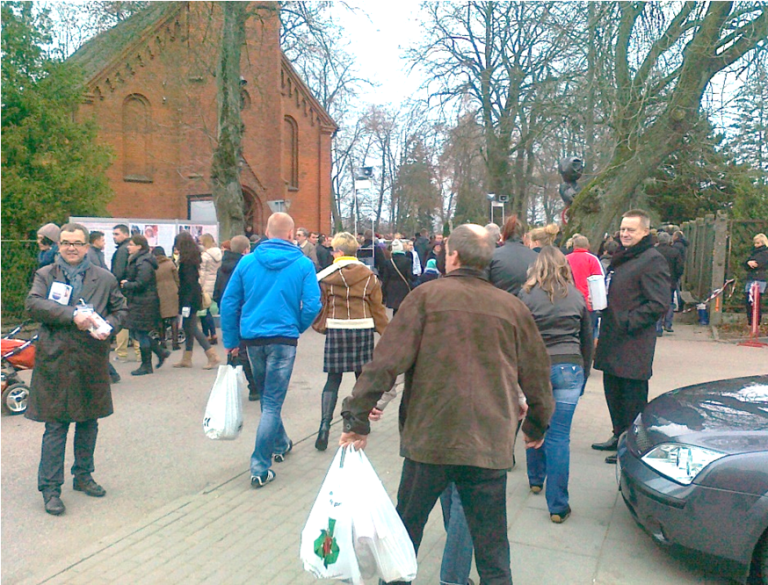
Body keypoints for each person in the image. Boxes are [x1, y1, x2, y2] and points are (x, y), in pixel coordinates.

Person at [339, 224, 554, 585]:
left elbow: (386, 362)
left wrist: (357, 418)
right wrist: (536, 425)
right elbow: (537, 373)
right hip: (487, 441)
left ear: (452, 255)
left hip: (430, 437)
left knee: (404, 536)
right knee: (492, 546)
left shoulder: (425, 298)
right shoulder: (512, 307)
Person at [25, 223, 128, 516]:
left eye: (77, 243)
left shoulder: (105, 278)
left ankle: (83, 475)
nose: (71, 248)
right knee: (56, 425)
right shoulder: (46, 275)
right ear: (59, 245)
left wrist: (108, 326)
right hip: (55, 358)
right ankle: (50, 489)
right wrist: (72, 315)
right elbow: (33, 304)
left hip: (90, 357)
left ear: (86, 247)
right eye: (66, 242)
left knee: (88, 421)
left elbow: (121, 310)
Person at [220, 212, 321, 488]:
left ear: (267, 232)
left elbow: (229, 302)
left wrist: (231, 340)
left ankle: (280, 443)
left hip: (253, 337)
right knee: (272, 401)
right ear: (291, 235)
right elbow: (313, 304)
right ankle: (260, 465)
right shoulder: (303, 264)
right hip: (283, 338)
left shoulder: (247, 262)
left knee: (268, 397)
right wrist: (297, 326)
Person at [518, 246, 593, 523]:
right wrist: (584, 375)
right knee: (559, 436)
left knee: (536, 420)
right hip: (570, 367)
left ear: (536, 267)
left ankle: (536, 479)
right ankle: (558, 506)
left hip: (536, 369)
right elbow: (587, 339)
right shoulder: (576, 296)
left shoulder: (525, 296)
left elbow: (518, 337)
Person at [592, 210, 670, 464]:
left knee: (632, 397)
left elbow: (659, 303)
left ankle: (632, 447)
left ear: (645, 232)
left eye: (631, 230)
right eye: (623, 229)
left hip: (633, 342)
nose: (625, 234)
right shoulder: (623, 257)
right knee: (613, 391)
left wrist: (628, 321)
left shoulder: (652, 260)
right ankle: (619, 435)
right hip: (612, 338)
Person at [311, 232, 388, 451]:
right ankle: (358, 422)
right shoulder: (369, 277)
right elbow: (378, 310)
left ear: (339, 252)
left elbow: (321, 304)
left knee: (332, 379)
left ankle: (324, 426)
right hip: (362, 329)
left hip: (336, 329)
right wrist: (388, 335)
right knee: (362, 380)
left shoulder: (325, 277)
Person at [213, 235, 260, 400]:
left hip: (229, 313)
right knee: (249, 351)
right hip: (246, 313)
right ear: (246, 250)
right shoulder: (247, 267)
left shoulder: (222, 268)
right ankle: (254, 386)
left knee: (234, 349)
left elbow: (217, 294)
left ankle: (231, 386)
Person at [120, 235, 169, 376]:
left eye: (131, 244)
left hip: (144, 302)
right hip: (139, 301)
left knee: (140, 333)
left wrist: (127, 284)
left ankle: (147, 365)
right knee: (136, 332)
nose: (128, 247)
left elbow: (142, 283)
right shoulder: (139, 259)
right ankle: (160, 352)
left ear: (139, 246)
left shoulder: (144, 262)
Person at [172, 231, 220, 370]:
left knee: (191, 327)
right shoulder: (193, 258)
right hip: (193, 297)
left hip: (189, 298)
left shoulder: (186, 262)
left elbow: (188, 283)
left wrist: (186, 303)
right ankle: (186, 358)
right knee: (188, 326)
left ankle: (211, 355)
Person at [489, 215, 539, 296]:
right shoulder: (537, 258)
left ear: (503, 236)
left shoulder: (492, 256)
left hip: (500, 301)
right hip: (527, 302)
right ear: (524, 236)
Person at [565, 234, 604, 337]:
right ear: (588, 246)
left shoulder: (565, 259)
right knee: (590, 332)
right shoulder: (592, 259)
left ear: (574, 246)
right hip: (588, 303)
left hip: (569, 301)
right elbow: (598, 281)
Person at [654, 231, 684, 335]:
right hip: (670, 281)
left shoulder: (654, 251)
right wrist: (676, 277)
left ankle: (657, 326)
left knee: (656, 302)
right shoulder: (675, 252)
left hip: (656, 281)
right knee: (669, 302)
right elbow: (680, 268)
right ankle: (668, 323)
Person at [152, 246, 181, 351]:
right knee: (174, 317)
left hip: (159, 292)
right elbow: (177, 278)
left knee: (161, 318)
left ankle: (163, 342)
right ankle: (175, 342)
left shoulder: (153, 266)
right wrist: (177, 288)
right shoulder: (170, 263)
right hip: (172, 291)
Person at [111, 225, 131, 361]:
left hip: (122, 290)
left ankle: (121, 353)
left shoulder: (122, 250)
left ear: (125, 234)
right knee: (132, 322)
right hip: (130, 290)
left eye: (117, 234)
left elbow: (118, 272)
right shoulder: (129, 248)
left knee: (122, 322)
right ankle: (139, 353)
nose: (114, 237)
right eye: (113, 234)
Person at [198, 234, 222, 345]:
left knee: (204, 310)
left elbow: (202, 273)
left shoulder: (205, 256)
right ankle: (213, 334)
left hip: (206, 284)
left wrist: (199, 285)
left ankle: (206, 335)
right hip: (215, 282)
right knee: (209, 310)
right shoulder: (219, 254)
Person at [381, 239, 414, 317]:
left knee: (395, 310)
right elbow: (410, 276)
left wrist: (383, 293)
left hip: (392, 288)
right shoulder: (408, 261)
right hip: (404, 287)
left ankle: (395, 323)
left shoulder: (388, 262)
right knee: (403, 308)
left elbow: (385, 279)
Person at [745, 233, 768, 327]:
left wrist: (752, 263)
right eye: (755, 243)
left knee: (756, 300)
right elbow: (745, 263)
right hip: (751, 278)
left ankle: (756, 322)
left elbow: (761, 264)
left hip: (759, 279)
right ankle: (751, 322)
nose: (756, 245)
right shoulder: (753, 252)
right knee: (749, 300)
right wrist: (748, 263)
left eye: (758, 243)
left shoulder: (765, 253)